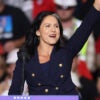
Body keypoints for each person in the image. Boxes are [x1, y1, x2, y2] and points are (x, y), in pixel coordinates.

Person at [8, 0, 100, 95]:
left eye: (56, 26)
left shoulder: (66, 52)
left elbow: (86, 26)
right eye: (48, 26)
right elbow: (15, 92)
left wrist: (97, 5)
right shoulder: (25, 57)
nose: (53, 30)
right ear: (38, 31)